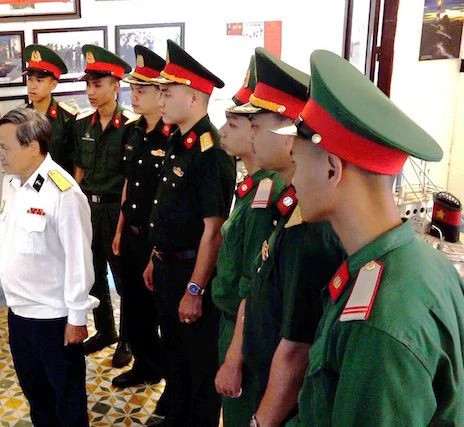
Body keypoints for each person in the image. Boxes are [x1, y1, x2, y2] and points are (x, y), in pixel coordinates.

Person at [286, 50, 464, 426]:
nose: (292, 180)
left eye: (297, 163)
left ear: (333, 169)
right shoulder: (424, 262)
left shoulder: (380, 323)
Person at [239, 48, 346, 427]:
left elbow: (297, 347)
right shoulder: (289, 207)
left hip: (284, 396)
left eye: (258, 125)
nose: (250, 136)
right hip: (262, 372)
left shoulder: (311, 225)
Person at [145, 39, 236, 426]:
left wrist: (195, 290)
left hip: (190, 273)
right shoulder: (176, 141)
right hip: (168, 268)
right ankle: (176, 416)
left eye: (168, 92)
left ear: (196, 97)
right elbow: (168, 213)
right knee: (174, 355)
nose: (160, 100)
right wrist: (154, 258)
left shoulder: (210, 150)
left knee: (198, 364)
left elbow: (212, 230)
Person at [0, 108, 96, 427]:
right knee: (36, 395)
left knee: (66, 399)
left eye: (5, 147)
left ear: (33, 147)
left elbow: (80, 260)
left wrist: (77, 318)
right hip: (19, 314)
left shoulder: (62, 192)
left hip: (53, 319)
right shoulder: (11, 184)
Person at [211, 55, 285, 427]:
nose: (224, 131)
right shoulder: (251, 187)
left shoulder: (267, 195)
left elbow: (250, 286)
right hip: (229, 321)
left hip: (246, 331)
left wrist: (233, 358)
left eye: (237, 124)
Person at [71, 44, 135, 365]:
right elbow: (78, 172)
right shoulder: (84, 125)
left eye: (97, 84)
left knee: (123, 278)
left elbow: (130, 181)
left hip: (116, 209)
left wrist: (122, 226)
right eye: (87, 84)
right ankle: (105, 330)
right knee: (94, 274)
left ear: (115, 85)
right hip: (88, 208)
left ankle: (128, 339)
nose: (90, 91)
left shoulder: (131, 127)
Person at [110, 45, 168, 391]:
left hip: (155, 239)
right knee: (133, 308)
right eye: (132, 89)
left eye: (142, 90)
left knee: (158, 311)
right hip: (130, 234)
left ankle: (165, 374)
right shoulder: (133, 133)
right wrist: (119, 230)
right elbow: (128, 184)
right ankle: (145, 366)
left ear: (161, 92)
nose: (134, 96)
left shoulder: (171, 137)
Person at [22, 44, 78, 173]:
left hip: (60, 186)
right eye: (30, 79)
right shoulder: (21, 117)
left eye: (39, 81)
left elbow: (76, 161)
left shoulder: (68, 118)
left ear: (53, 84)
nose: (32, 86)